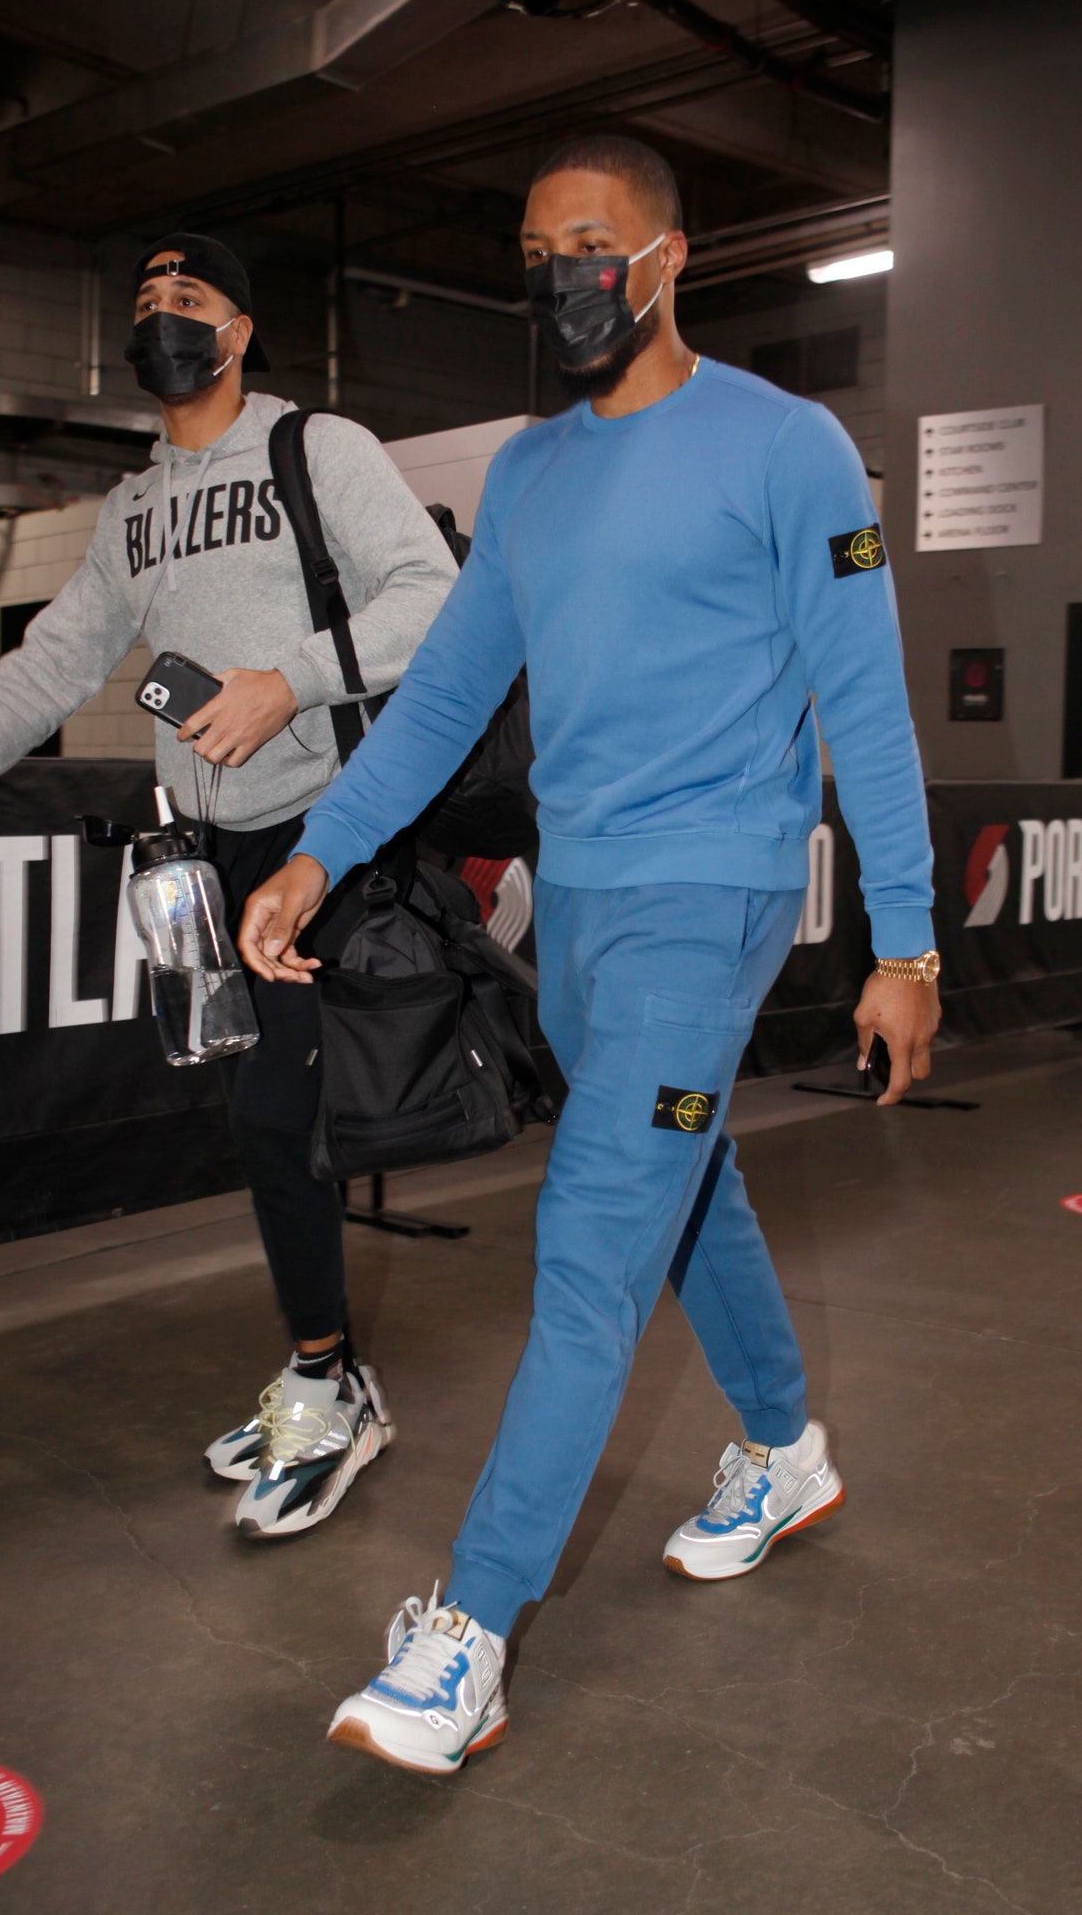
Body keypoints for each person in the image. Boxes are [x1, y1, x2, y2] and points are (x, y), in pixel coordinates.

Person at [239, 135, 940, 1773]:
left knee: (593, 1233)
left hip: (718, 897)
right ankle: (783, 1449)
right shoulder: (533, 480)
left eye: (594, 243)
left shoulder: (792, 449)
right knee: (687, 1185)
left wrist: (907, 945)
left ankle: (466, 1637)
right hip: (585, 905)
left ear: (670, 255)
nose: (566, 272)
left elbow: (870, 707)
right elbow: (440, 701)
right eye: (539, 247)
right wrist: (318, 852)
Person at [0, 233, 456, 1540]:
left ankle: (329, 1385)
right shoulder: (134, 511)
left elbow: (436, 596)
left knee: (275, 1117)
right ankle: (323, 1367)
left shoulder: (317, 453)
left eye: (189, 300)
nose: (162, 319)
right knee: (253, 1110)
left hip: (318, 834)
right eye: (145, 301)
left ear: (241, 330)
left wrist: (283, 681)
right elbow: (55, 657)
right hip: (202, 843)